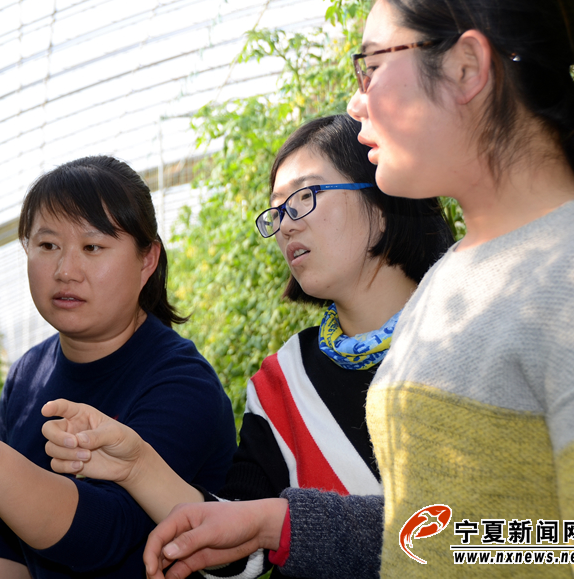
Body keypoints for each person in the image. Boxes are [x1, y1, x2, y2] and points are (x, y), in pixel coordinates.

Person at [131, 0, 574, 578]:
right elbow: (445, 530)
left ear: (466, 68)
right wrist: (277, 521)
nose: (357, 101)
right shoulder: (454, 281)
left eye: (374, 66)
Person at [41, 115, 453, 578]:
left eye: (304, 197)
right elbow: (243, 540)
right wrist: (137, 467)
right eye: (277, 212)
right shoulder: (285, 379)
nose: (285, 226)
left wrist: (285, 525)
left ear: (379, 200)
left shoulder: (466, 331)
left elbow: (532, 539)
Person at [0, 155, 237, 578]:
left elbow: (109, 532)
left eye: (93, 247)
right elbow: (7, 538)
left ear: (147, 261)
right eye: (47, 245)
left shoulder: (180, 383)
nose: (65, 270)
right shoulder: (26, 375)